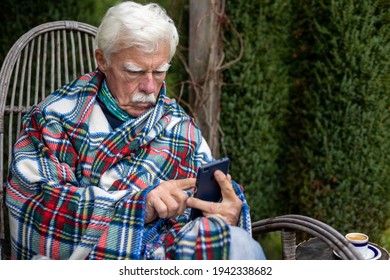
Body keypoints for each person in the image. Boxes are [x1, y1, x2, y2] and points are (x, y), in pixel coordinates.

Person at [6, 1, 265, 260]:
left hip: (172, 253)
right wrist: (141, 205)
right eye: (135, 71)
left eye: (160, 71)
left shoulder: (178, 126)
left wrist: (227, 214)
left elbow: (207, 206)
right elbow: (38, 205)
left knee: (235, 244)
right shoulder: (53, 119)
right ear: (102, 60)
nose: (150, 87)